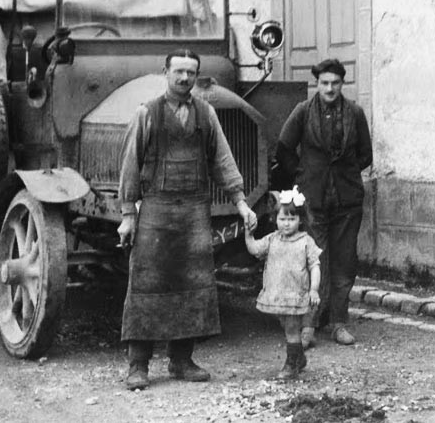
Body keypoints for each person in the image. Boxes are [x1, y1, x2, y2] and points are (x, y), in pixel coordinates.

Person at [117, 49, 258, 390]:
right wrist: (127, 215)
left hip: (195, 210)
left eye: (190, 73)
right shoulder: (146, 113)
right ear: (165, 72)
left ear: (196, 77)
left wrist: (241, 203)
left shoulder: (206, 113)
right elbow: (131, 164)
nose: (184, 79)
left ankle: (182, 360)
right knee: (147, 286)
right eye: (178, 72)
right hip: (156, 210)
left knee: (194, 286)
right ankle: (138, 365)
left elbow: (223, 160)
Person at [276, 58, 372, 348]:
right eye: (324, 83)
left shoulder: (354, 113)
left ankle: (339, 323)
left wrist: (345, 173)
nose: (330, 88)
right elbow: (283, 148)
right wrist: (304, 175)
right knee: (313, 261)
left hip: (347, 201)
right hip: (313, 200)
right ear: (317, 84)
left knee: (344, 262)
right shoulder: (303, 112)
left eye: (335, 83)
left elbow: (365, 154)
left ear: (343, 84)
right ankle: (309, 325)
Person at [245, 186, 321, 380]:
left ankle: (290, 365)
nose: (287, 224)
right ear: (274, 219)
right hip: (278, 294)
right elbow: (254, 249)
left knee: (292, 328)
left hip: (296, 293)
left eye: (291, 219)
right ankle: (299, 358)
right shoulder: (272, 239)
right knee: (286, 325)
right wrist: (248, 235)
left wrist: (314, 289)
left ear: (300, 220)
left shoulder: (306, 241)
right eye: (282, 219)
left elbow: (315, 266)